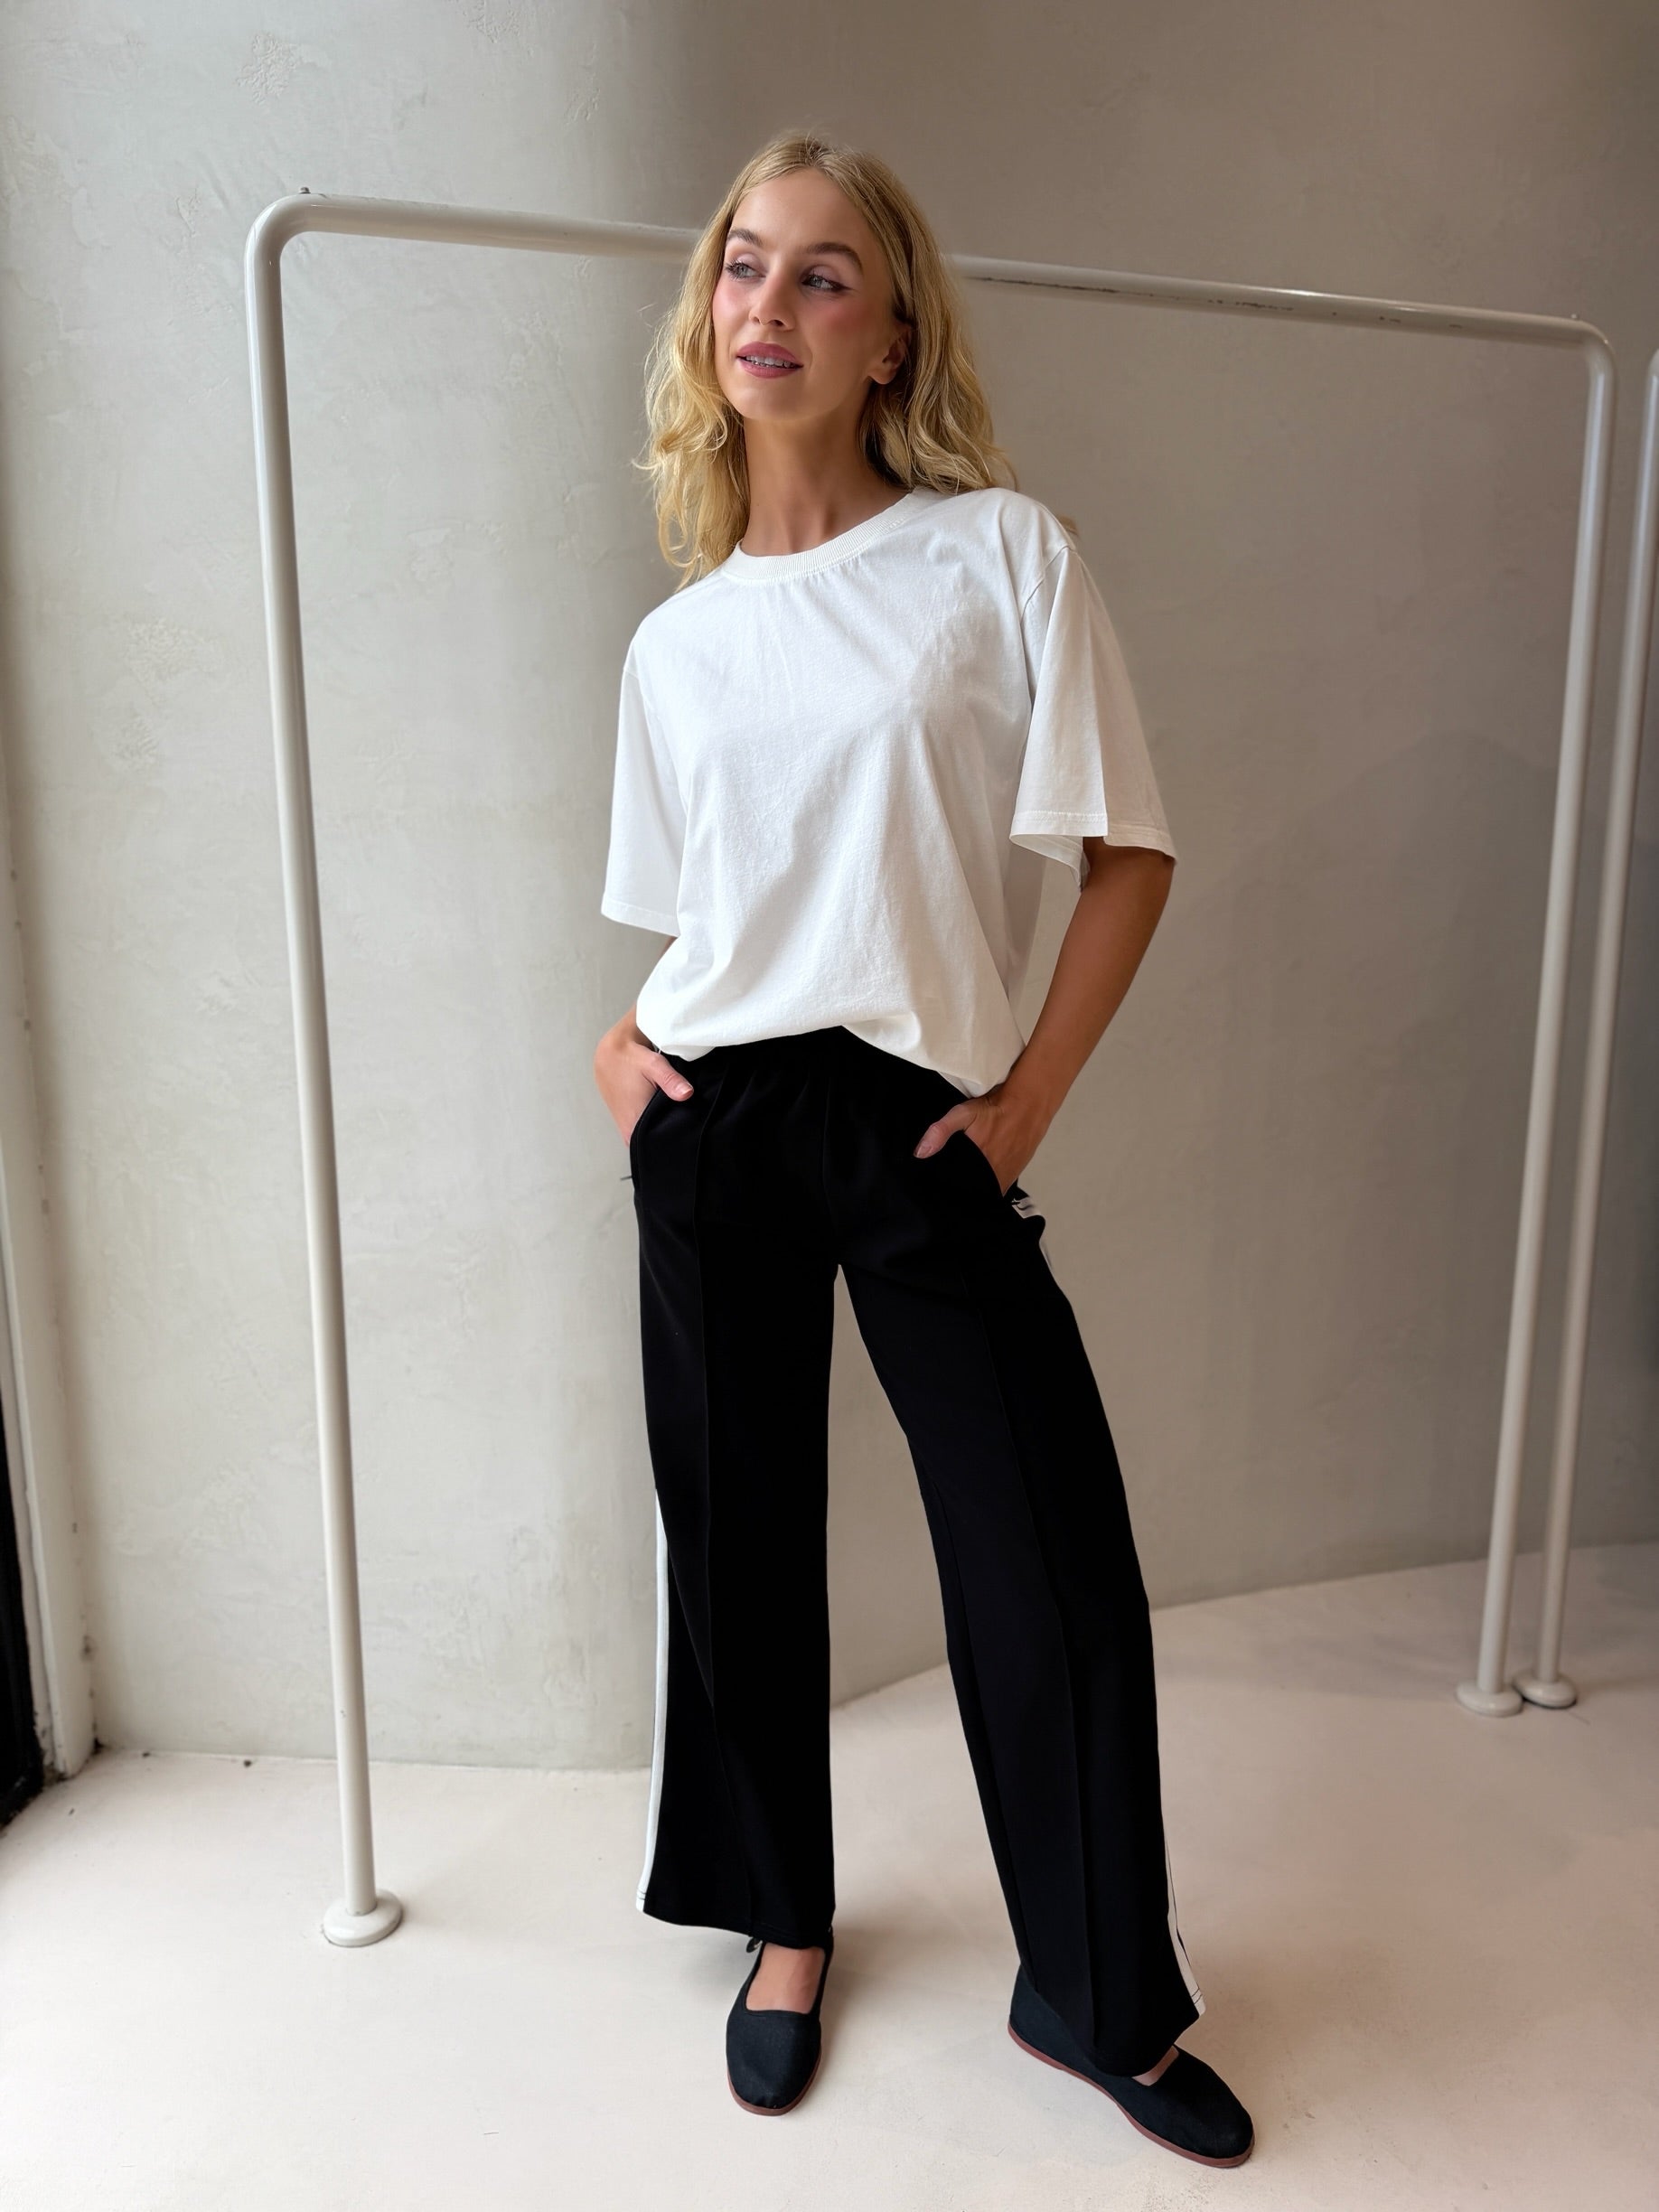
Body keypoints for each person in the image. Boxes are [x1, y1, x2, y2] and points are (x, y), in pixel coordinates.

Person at [593, 129, 1252, 2170]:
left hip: (915, 1112)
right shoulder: (679, 643)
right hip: (714, 1116)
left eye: (823, 275)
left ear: (890, 338)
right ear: (708, 315)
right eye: (743, 267)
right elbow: (699, 920)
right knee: (735, 1535)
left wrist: (1026, 1100)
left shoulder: (996, 557)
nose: (770, 306)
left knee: (1047, 1554)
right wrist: (618, 1047)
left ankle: (1097, 1993)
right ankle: (782, 1923)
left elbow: (1129, 855)